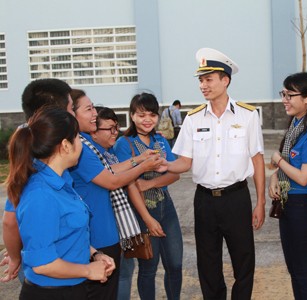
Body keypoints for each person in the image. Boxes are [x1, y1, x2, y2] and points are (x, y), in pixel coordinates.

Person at [164, 48, 266, 300]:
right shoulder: (192, 118)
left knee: (244, 260)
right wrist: (162, 165)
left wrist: (261, 202)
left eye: (208, 79)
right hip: (205, 200)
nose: (203, 85)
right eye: (200, 80)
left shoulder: (248, 115)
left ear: (225, 80)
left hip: (236, 198)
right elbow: (184, 162)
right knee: (207, 263)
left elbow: (257, 159)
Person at [5, 107, 115, 299]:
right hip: (51, 293)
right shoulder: (41, 195)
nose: (82, 143)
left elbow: (68, 232)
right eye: (79, 138)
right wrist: (88, 270)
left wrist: (95, 254)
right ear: (65, 145)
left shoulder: (62, 180)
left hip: (73, 289)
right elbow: (43, 264)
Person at [69, 89, 162, 300]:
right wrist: (143, 164)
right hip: (96, 235)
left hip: (107, 232)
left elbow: (111, 169)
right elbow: (111, 180)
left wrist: (139, 160)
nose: (94, 113)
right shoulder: (80, 146)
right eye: (89, 108)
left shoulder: (87, 144)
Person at [1, 78, 74, 283]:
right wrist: (15, 257)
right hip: (52, 271)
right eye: (72, 107)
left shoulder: (38, 148)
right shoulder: (37, 160)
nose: (74, 113)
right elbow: (10, 220)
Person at [114, 93, 183, 300]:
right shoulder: (124, 144)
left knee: (175, 264)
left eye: (152, 115)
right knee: (148, 268)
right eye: (141, 114)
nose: (147, 120)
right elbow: (128, 182)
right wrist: (147, 219)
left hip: (166, 207)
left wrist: (149, 183)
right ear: (132, 116)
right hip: (141, 212)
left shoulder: (160, 141)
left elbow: (175, 174)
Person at [268, 72, 307, 299]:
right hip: (289, 203)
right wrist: (275, 177)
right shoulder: (296, 124)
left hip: (304, 206)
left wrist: (278, 160)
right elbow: (289, 165)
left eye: (289, 95)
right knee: (294, 268)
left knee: (303, 271)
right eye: (283, 93)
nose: (284, 99)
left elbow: (304, 177)